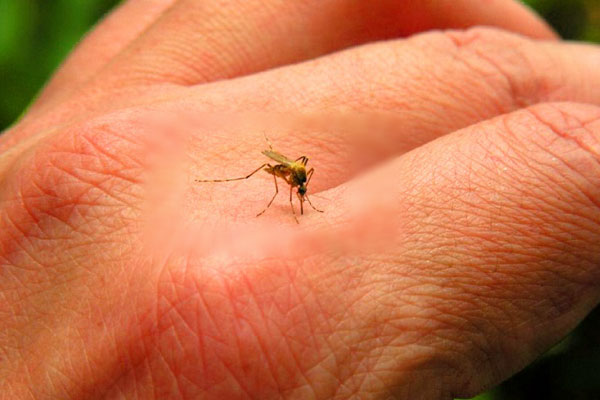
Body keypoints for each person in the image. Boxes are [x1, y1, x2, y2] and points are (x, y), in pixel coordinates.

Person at [1, 0, 599, 398]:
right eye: (299, 186)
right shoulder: (282, 171)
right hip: (271, 161)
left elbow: (299, 171)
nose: (298, 186)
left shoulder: (299, 173)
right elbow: (283, 168)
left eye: (300, 185)